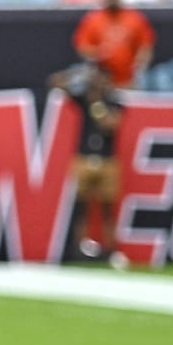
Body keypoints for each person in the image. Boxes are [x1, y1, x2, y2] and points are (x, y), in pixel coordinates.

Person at [49, 65, 124, 262]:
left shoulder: (113, 101)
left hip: (107, 160)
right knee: (80, 207)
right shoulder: (83, 98)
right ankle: (78, 248)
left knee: (108, 208)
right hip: (83, 158)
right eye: (96, 78)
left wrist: (96, 104)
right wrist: (76, 73)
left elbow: (110, 126)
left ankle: (111, 250)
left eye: (101, 79)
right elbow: (55, 83)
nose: (98, 82)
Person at [72, 0, 154, 89]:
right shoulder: (93, 19)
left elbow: (145, 46)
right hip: (102, 79)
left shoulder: (135, 17)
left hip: (129, 78)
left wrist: (138, 69)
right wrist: (99, 53)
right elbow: (82, 47)